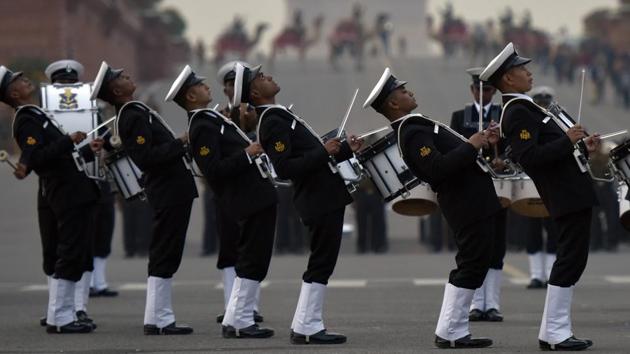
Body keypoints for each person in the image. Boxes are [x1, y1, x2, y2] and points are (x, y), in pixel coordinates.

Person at [364, 67, 499, 349]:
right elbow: (435, 169)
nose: (409, 92)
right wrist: (471, 145)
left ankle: (453, 329)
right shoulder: (411, 131)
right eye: (402, 91)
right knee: (472, 264)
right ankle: (451, 331)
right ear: (392, 103)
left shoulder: (416, 125)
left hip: (473, 199)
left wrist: (482, 144)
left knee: (476, 262)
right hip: (464, 201)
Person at [481, 42, 599, 350]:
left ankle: (553, 330)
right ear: (507, 79)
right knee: (569, 261)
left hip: (572, 190)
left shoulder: (527, 107)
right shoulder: (518, 111)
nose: (529, 73)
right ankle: (556, 332)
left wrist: (582, 147)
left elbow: (553, 152)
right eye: (522, 69)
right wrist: (568, 139)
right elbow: (529, 156)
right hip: (564, 194)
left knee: (572, 260)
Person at [249, 63, 363, 344]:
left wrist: (343, 148)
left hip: (324, 196)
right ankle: (307, 327)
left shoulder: (278, 115)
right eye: (262, 78)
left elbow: (308, 153)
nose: (270, 77)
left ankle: (306, 323)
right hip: (317, 198)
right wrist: (324, 151)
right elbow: (285, 167)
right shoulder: (273, 121)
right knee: (321, 263)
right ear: (254, 91)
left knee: (322, 262)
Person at [165, 65, 277, 338]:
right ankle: (239, 322)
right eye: (200, 86)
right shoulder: (202, 124)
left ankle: (237, 318)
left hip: (254, 196)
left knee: (254, 260)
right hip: (246, 199)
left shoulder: (212, 120)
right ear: (190, 97)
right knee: (252, 260)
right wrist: (248, 154)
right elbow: (212, 169)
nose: (207, 87)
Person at [91, 62, 198, 335]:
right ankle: (159, 318)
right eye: (123, 77)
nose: (128, 76)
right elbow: (146, 158)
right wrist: (181, 142)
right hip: (168, 188)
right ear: (116, 89)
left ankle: (158, 316)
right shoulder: (131, 116)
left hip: (174, 188)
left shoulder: (135, 111)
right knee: (165, 251)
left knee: (168, 251)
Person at [1, 65, 100, 333]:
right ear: (13, 92)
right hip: (66, 191)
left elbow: (56, 157)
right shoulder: (26, 118)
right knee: (69, 251)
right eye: (18, 80)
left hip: (71, 186)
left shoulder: (34, 113)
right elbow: (39, 156)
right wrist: (67, 140)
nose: (24, 79)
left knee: (74, 251)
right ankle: (61, 317)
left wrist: (85, 150)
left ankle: (63, 314)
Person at [43, 59, 119, 299]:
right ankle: (58, 301)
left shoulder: (91, 110)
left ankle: (95, 284)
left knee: (99, 229)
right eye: (63, 83)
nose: (68, 88)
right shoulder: (42, 113)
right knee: (56, 239)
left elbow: (105, 136)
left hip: (93, 175)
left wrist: (109, 142)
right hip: (57, 181)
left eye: (72, 82)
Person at [450, 67, 506, 322]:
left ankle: (491, 304)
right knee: (474, 246)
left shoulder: (502, 115)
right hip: (471, 186)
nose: (484, 94)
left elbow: (514, 148)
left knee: (496, 245)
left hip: (498, 186)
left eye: (489, 90)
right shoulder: (460, 116)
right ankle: (475, 304)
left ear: (494, 91)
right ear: (472, 90)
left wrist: (502, 159)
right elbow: (453, 149)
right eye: (479, 89)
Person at [213, 61, 266, 323]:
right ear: (225, 89)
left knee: (253, 249)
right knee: (229, 248)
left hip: (254, 188)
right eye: (231, 84)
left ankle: (250, 306)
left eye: (239, 83)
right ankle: (231, 306)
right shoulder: (217, 117)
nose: (235, 88)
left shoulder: (261, 112)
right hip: (228, 191)